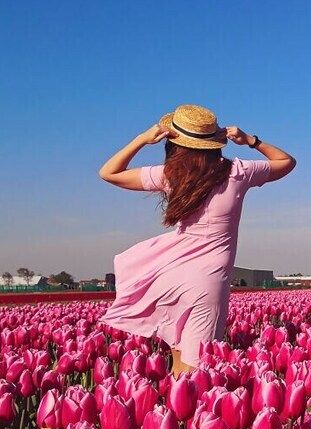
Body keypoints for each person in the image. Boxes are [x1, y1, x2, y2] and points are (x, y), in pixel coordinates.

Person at [98, 104, 296, 375]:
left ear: (174, 142)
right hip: (208, 280)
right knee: (195, 371)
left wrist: (143, 139)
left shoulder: (171, 175)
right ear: (216, 142)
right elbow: (286, 162)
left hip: (172, 273)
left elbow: (109, 173)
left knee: (179, 364)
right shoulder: (238, 171)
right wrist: (251, 140)